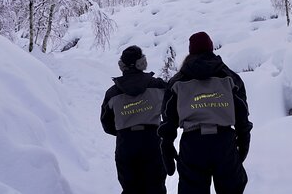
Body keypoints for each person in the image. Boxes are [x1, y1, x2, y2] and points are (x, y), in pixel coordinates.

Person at [159, 31, 252, 194]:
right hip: (224, 142)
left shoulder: (178, 81)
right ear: (211, 48)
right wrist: (244, 140)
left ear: (191, 51)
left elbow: (168, 117)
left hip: (193, 144)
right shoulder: (229, 77)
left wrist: (166, 143)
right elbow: (242, 111)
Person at [101, 45, 167, 194]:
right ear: (142, 63)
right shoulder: (158, 86)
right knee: (156, 187)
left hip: (126, 143)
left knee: (130, 188)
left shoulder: (112, 93)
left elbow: (107, 124)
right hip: (152, 141)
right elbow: (173, 107)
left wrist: (123, 129)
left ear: (122, 66)